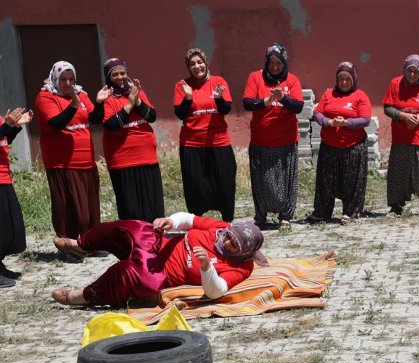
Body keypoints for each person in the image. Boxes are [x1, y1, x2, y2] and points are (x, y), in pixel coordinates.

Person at [50, 212, 268, 307]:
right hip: (156, 245)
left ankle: (84, 296)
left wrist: (206, 267)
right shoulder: (221, 227)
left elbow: (217, 291)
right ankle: (81, 245)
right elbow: (189, 219)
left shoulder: (242, 267)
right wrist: (170, 222)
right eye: (228, 234)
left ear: (243, 252)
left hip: (158, 272)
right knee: (136, 227)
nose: (225, 240)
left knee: (135, 275)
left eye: (233, 243)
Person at [35, 61, 101, 263]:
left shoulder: (81, 94)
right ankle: (69, 247)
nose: (68, 83)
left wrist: (99, 103)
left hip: (86, 159)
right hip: (61, 161)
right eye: (63, 79)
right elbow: (56, 123)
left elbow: (95, 118)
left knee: (89, 207)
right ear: (55, 78)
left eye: (71, 79)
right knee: (69, 207)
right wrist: (73, 105)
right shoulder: (46, 96)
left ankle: (90, 244)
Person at [89, 57, 164, 223]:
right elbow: (111, 124)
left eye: (123, 73)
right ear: (108, 77)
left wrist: (136, 100)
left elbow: (152, 116)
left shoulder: (136, 92)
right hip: (122, 159)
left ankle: (155, 237)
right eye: (115, 74)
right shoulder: (107, 97)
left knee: (152, 203)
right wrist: (129, 105)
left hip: (147, 156)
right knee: (131, 206)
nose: (120, 77)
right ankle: (134, 240)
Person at [242, 42, 304, 230]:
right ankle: (261, 215)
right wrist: (266, 101)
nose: (275, 67)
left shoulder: (292, 80)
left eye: (279, 63)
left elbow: (298, 106)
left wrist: (283, 98)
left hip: (286, 140)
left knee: (286, 180)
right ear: (267, 63)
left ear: (284, 63)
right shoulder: (255, 77)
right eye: (272, 63)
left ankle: (285, 215)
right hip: (262, 140)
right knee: (261, 181)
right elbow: (247, 102)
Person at [174, 48, 237, 221]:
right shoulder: (182, 86)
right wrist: (187, 98)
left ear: (206, 63)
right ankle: (198, 222)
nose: (197, 66)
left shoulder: (218, 81)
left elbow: (226, 109)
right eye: (192, 63)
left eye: (200, 62)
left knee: (225, 183)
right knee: (196, 186)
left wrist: (218, 97)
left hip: (219, 142)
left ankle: (226, 222)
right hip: (192, 144)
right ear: (188, 67)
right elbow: (180, 114)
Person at [307, 61, 372, 225]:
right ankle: (322, 212)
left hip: (353, 146)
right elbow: (317, 114)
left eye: (347, 79)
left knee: (351, 181)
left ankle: (350, 212)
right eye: (341, 78)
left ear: (354, 79)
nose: (344, 82)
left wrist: (347, 123)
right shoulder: (328, 94)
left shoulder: (360, 96)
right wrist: (329, 122)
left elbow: (365, 119)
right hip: (329, 146)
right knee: (326, 180)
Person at [383, 54, 419, 218]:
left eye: (415, 72)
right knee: (398, 174)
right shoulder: (396, 84)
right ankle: (396, 206)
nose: (411, 75)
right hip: (402, 139)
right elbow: (387, 108)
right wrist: (403, 116)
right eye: (409, 71)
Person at [0, 107, 33, 287]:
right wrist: (7, 126)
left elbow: (3, 140)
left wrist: (13, 128)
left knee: (9, 227)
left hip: (4, 176)